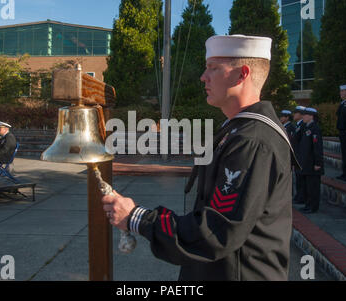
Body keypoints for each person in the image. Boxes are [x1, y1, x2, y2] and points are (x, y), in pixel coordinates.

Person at [101, 34, 297, 280]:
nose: (203, 77)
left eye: (213, 68)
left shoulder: (252, 141)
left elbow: (214, 232)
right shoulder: (237, 130)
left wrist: (136, 218)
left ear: (242, 74)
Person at [296, 108, 324, 213]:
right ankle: (308, 205)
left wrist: (318, 163)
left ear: (311, 116)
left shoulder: (315, 128)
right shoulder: (305, 127)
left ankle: (313, 207)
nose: (303, 117)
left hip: (313, 163)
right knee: (307, 187)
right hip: (306, 163)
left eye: (305, 115)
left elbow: (317, 147)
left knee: (313, 187)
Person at [292, 106, 306, 204]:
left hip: (301, 156)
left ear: (301, 115)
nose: (294, 115)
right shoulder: (298, 125)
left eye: (296, 113)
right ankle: (299, 196)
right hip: (297, 155)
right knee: (298, 178)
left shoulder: (303, 126)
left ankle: (302, 197)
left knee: (301, 179)